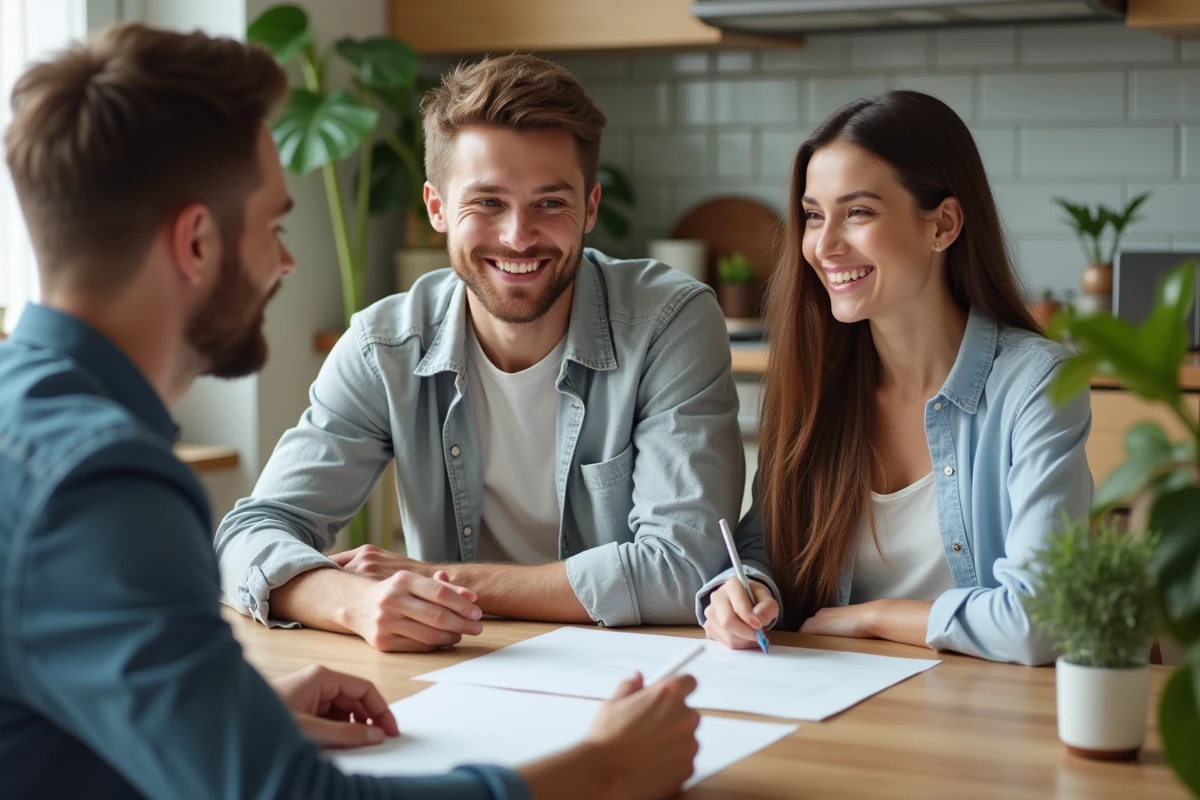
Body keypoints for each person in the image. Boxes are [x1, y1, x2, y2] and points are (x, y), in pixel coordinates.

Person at [0, 23, 700, 799]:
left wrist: (237, 712)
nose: (288, 261)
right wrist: (597, 772)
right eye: (272, 226)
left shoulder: (32, 433)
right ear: (197, 243)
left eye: (548, 204)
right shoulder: (100, 481)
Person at [214, 53, 744, 651]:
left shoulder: (668, 323)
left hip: (639, 672)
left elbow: (688, 567)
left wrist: (440, 583)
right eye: (487, 203)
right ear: (437, 208)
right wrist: (356, 602)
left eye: (550, 203)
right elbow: (249, 535)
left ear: (590, 207)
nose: (518, 236)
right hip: (457, 668)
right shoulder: (385, 345)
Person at [700, 90, 1092, 666]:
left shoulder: (1036, 386)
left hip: (988, 717)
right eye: (813, 216)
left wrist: (874, 617)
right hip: (842, 708)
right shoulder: (815, 381)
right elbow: (766, 547)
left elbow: (1041, 619)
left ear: (944, 224)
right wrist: (749, 591)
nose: (825, 246)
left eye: (857, 212)